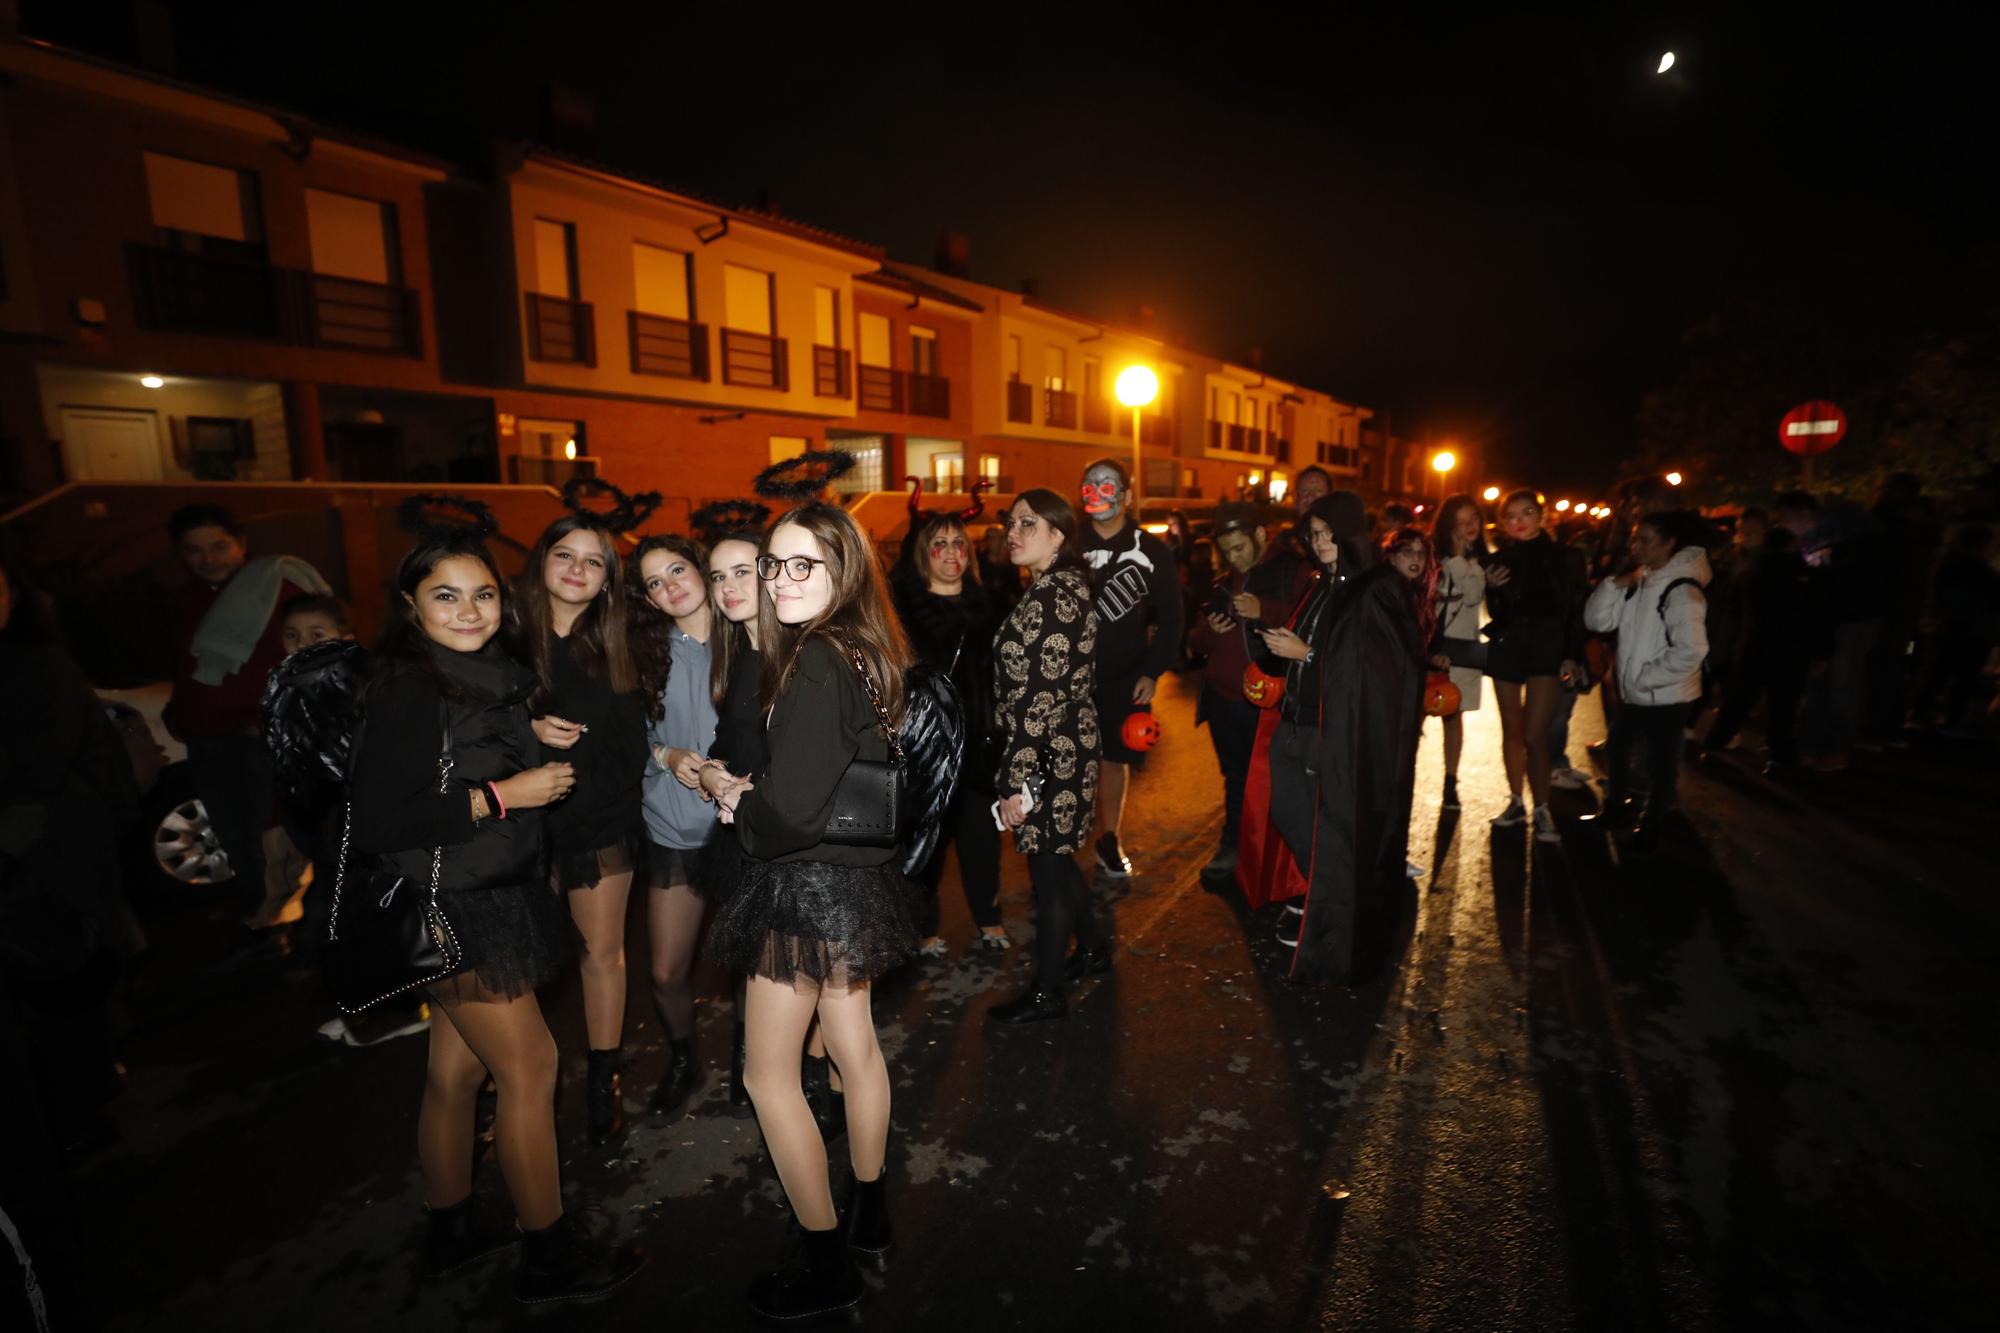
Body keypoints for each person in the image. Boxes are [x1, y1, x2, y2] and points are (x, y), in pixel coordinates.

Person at [347, 514, 641, 1303]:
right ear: (411, 604)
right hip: (458, 906)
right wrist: (503, 794)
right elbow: (382, 820)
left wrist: (523, 730)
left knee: (456, 1069)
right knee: (531, 1065)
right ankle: (548, 1256)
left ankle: (450, 1231)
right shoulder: (409, 685)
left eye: (481, 593)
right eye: (446, 595)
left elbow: (466, 742)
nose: (470, 609)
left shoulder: (478, 676)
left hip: (487, 895)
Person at [705, 503, 916, 1323]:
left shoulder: (819, 658)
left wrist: (742, 809)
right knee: (855, 1047)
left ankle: (827, 1261)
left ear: (844, 573)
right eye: (774, 564)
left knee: (769, 1076)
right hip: (854, 881)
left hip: (802, 883)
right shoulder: (866, 648)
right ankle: (869, 1209)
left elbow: (790, 811)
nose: (782, 580)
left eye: (805, 566)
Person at [513, 514, 648, 1145]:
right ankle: (508, 1078)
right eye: (564, 554)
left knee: (601, 955)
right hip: (515, 823)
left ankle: (604, 1079)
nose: (576, 569)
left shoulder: (618, 639)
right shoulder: (503, 636)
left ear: (606, 580)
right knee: (520, 958)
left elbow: (634, 738)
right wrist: (527, 730)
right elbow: (457, 726)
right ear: (541, 562)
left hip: (599, 817)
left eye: (593, 561)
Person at [1256, 494, 1426, 984]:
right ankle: (1324, 895)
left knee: (1334, 826)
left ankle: (1332, 914)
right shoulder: (1319, 585)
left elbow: (1381, 673)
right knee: (1290, 813)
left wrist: (1306, 654)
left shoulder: (1375, 589)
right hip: (1292, 723)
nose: (1320, 542)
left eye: (1329, 532)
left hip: (1331, 732)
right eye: (1312, 534)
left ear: (1350, 533)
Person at [161, 503, 328, 940]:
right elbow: (189, 663)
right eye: (194, 550)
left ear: (242, 545)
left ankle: (295, 936)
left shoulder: (276, 588)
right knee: (234, 836)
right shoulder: (186, 600)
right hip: (206, 739)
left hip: (260, 740)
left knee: (275, 839)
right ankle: (265, 924)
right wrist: (180, 709)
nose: (209, 558)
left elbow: (311, 661)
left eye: (219, 546)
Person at [986, 489, 1103, 1024]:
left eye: (1028, 524)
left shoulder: (1055, 597)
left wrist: (1015, 781)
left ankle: (1048, 992)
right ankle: (1096, 949)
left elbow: (1040, 698)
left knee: (1049, 872)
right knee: (1057, 859)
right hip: (1062, 745)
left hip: (1051, 752)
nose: (1014, 532)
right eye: (1011, 523)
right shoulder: (1057, 588)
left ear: (1058, 535)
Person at [629, 535, 719, 1117]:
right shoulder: (645, 652)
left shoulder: (752, 637)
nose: (670, 587)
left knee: (760, 971)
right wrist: (666, 758)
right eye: (655, 582)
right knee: (665, 970)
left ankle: (763, 1067)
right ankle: (685, 1058)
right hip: (675, 826)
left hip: (749, 830)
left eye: (677, 569)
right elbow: (622, 740)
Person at [893, 514, 1009, 954]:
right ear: (924, 554)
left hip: (980, 742)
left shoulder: (993, 606)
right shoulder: (905, 611)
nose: (950, 554)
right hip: (927, 746)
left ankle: (989, 917)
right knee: (927, 841)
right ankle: (923, 927)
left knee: (982, 837)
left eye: (959, 544)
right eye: (939, 544)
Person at [1076, 458, 1182, 878]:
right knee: (1066, 758)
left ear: (1127, 495)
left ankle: (1108, 837)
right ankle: (1057, 846)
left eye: (1108, 484)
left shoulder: (1151, 549)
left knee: (1114, 757)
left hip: (1123, 675)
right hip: (1067, 675)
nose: (1099, 491)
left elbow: (1173, 617)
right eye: (1090, 484)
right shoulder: (1063, 540)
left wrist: (1152, 672)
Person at [695, 529, 771, 1109]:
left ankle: (799, 1087)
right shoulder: (739, 652)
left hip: (788, 844)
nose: (727, 587)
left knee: (797, 980)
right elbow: (731, 735)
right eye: (717, 576)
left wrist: (749, 789)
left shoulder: (796, 653)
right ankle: (753, 1072)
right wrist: (713, 772)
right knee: (757, 968)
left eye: (741, 571)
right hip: (745, 835)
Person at [1581, 511, 1711, 848]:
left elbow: (1691, 649)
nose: (1636, 546)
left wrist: (1644, 677)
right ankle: (1617, 808)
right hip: (1636, 692)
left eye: (1646, 540)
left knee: (1660, 760)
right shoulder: (1642, 581)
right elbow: (1597, 621)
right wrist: (1614, 585)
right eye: (1635, 538)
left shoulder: (1682, 590)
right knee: (1620, 748)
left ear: (1670, 543)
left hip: (1668, 695)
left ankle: (1653, 821)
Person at [1190, 502, 1295, 874]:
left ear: (1261, 536)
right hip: (1222, 698)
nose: (1233, 557)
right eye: (1227, 550)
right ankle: (1234, 846)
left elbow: (1308, 628)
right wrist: (1208, 633)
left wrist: (1264, 609)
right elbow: (1196, 644)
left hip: (1264, 697)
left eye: (1240, 548)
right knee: (1235, 778)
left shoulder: (1290, 572)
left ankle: (1269, 854)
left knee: (1270, 780)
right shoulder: (1221, 583)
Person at [1483, 490, 1587, 844]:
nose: (1519, 521)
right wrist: (1493, 590)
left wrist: (1572, 653)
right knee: (1511, 730)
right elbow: (1499, 614)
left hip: (1547, 648)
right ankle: (1516, 802)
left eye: (1526, 512)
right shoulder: (1501, 560)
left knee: (1534, 733)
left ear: (1541, 516)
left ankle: (1542, 807)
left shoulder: (1568, 558)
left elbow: (1576, 608)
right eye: (1510, 516)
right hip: (1509, 647)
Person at [1700, 526, 1817, 773]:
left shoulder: (1753, 571)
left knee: (1739, 700)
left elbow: (1738, 607)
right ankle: (1780, 756)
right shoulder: (1803, 573)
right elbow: (1814, 614)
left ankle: (1714, 745)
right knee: (1782, 706)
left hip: (1754, 643)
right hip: (1791, 647)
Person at [1429, 495, 1488, 811]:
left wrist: (1460, 559)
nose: (1469, 527)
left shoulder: (1479, 563)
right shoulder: (1430, 558)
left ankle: (1450, 782)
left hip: (1461, 648)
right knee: (1417, 714)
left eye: (1474, 520)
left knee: (1453, 715)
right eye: (1461, 521)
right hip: (1431, 647)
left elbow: (1473, 596)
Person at [1911, 523, 1998, 734]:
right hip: (1974, 632)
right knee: (1962, 678)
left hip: (1950, 627)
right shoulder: (1985, 575)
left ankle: (1920, 713)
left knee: (1938, 673)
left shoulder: (1949, 567)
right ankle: (1949, 717)